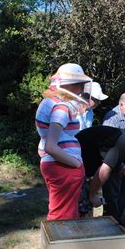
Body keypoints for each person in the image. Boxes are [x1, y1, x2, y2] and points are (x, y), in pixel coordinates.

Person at [35, 63, 92, 221]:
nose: (81, 89)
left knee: (62, 213)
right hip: (63, 167)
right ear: (69, 85)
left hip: (56, 166)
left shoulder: (50, 102)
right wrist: (76, 164)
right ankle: (60, 246)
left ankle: (59, 245)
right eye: (79, 85)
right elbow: (51, 146)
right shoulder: (61, 107)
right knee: (62, 217)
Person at [101, 92, 125, 223]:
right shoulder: (112, 119)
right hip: (113, 164)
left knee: (124, 194)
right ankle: (110, 224)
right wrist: (120, 164)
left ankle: (117, 220)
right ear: (121, 105)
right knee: (112, 196)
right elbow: (107, 146)